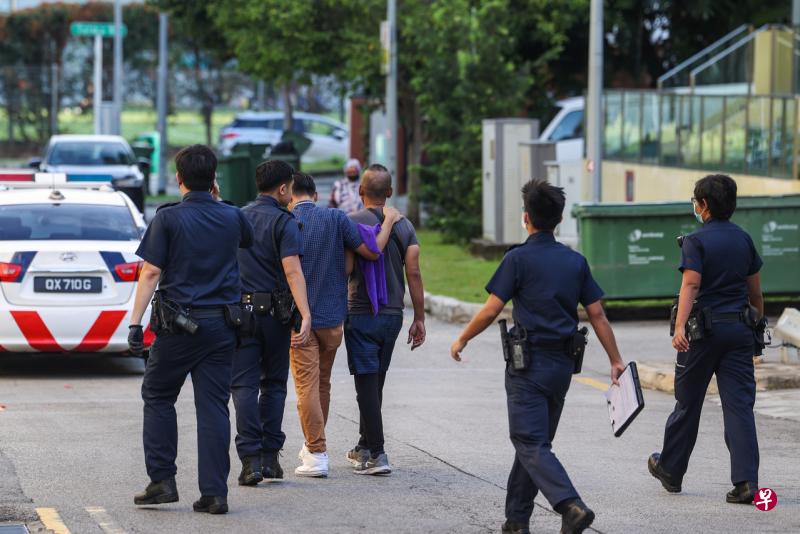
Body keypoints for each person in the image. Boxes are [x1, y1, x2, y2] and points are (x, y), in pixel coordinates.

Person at [449, 180, 626, 534]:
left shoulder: (517, 259)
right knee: (534, 443)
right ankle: (516, 520)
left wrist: (462, 339)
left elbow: (491, 309)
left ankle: (571, 505)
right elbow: (598, 315)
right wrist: (615, 359)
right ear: (558, 220)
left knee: (529, 441)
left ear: (526, 218)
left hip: (527, 365)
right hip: (561, 367)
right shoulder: (575, 262)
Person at [128, 145, 253, 515]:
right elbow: (243, 239)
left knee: (158, 395)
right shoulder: (233, 216)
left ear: (178, 178)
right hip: (222, 325)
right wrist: (216, 199)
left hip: (178, 326)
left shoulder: (167, 219)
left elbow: (150, 272)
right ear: (214, 179)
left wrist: (135, 323)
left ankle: (162, 481)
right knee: (213, 406)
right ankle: (215, 494)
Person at [649, 174, 763, 505]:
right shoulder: (744, 240)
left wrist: (680, 325)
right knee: (739, 405)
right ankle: (746, 482)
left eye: (696, 201)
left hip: (703, 334)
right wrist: (754, 324)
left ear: (705, 206)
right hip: (739, 332)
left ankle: (670, 468)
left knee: (688, 402)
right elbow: (755, 292)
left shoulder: (695, 242)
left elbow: (691, 285)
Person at [288, 172, 401, 477]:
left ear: (289, 194)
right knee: (321, 382)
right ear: (316, 194)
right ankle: (313, 444)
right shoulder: (337, 219)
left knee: (306, 387)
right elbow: (367, 254)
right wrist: (388, 220)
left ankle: (315, 452)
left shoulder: (286, 222)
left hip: (300, 320)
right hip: (334, 320)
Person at [231, 160, 312, 486]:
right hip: (275, 317)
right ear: (282, 188)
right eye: (290, 187)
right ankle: (269, 458)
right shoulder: (284, 222)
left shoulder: (239, 217)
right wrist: (305, 313)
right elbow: (292, 270)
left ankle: (249, 460)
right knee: (274, 384)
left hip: (240, 314)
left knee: (244, 386)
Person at [344, 164, 426, 476]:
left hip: (362, 312)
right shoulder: (406, 227)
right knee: (375, 380)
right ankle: (364, 445)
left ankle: (377, 453)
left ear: (360, 191)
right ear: (389, 193)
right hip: (392, 315)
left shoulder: (351, 222)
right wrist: (419, 318)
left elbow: (348, 269)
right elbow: (414, 273)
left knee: (366, 381)